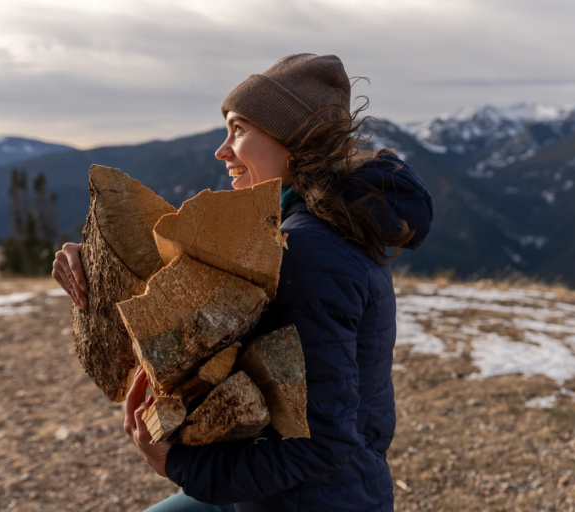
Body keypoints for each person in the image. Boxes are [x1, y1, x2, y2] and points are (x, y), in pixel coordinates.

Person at [53, 53, 434, 512]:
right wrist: (96, 266)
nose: (222, 150)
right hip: (289, 490)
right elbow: (198, 279)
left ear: (292, 142)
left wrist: (178, 465)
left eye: (239, 129)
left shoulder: (307, 252)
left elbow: (322, 446)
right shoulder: (310, 227)